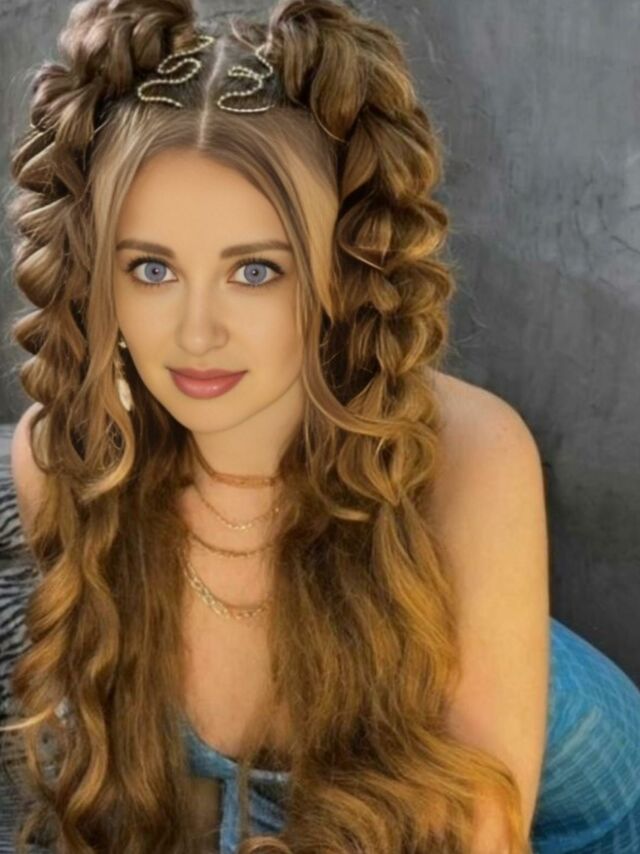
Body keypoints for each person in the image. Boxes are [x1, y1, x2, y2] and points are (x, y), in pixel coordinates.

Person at [0, 0, 639, 852]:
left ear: (341, 271)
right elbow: (164, 795)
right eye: (151, 269)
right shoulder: (64, 462)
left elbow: (486, 833)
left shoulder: (470, 451)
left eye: (255, 271)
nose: (197, 332)